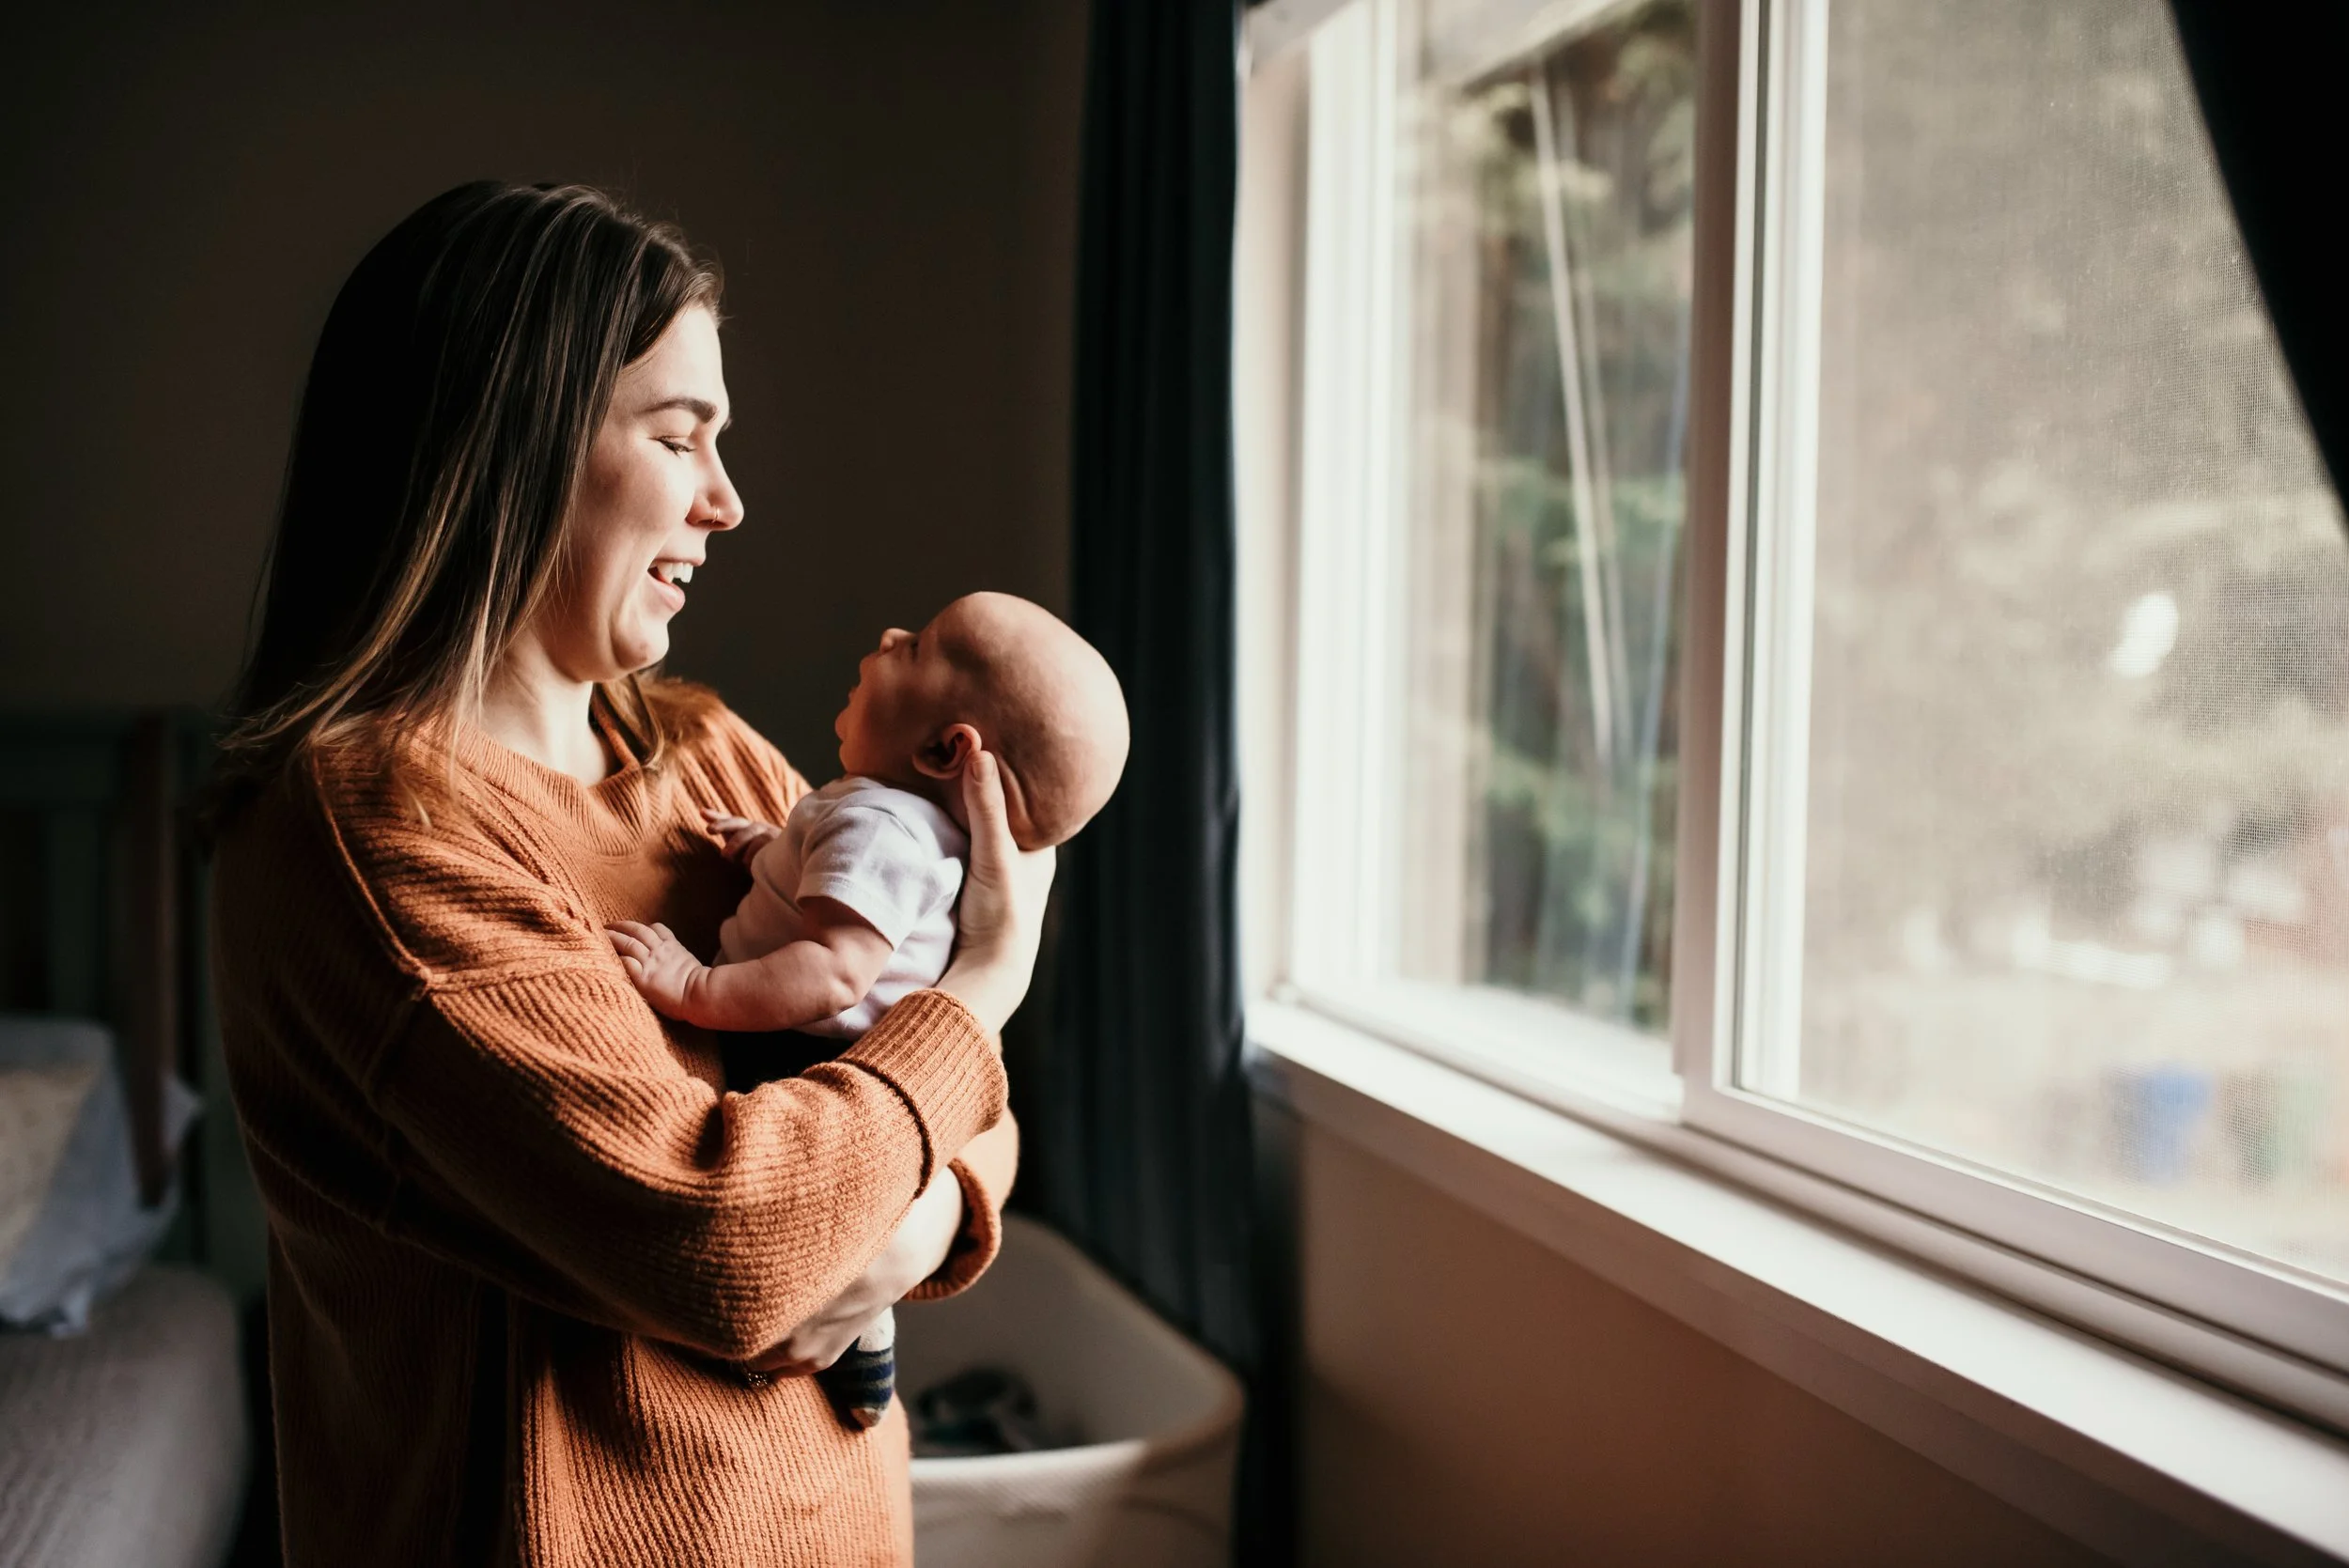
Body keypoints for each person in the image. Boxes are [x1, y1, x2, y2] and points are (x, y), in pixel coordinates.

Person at [207, 180, 1050, 1567]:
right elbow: (736, 1249)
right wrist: (986, 987)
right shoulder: (374, 833)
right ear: (506, 451)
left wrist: (905, 1229)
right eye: (677, 436)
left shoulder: (708, 751)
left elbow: (980, 1114)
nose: (727, 501)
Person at [608, 591, 1128, 1427]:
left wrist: (693, 985)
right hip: (888, 1095)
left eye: (917, 646)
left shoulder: (880, 822)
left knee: (831, 1197)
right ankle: (871, 1333)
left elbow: (832, 968)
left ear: (943, 747)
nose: (888, 634)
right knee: (868, 1211)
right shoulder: (889, 821)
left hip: (805, 1053)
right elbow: (970, 1104)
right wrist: (765, 848)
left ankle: (864, 1323)